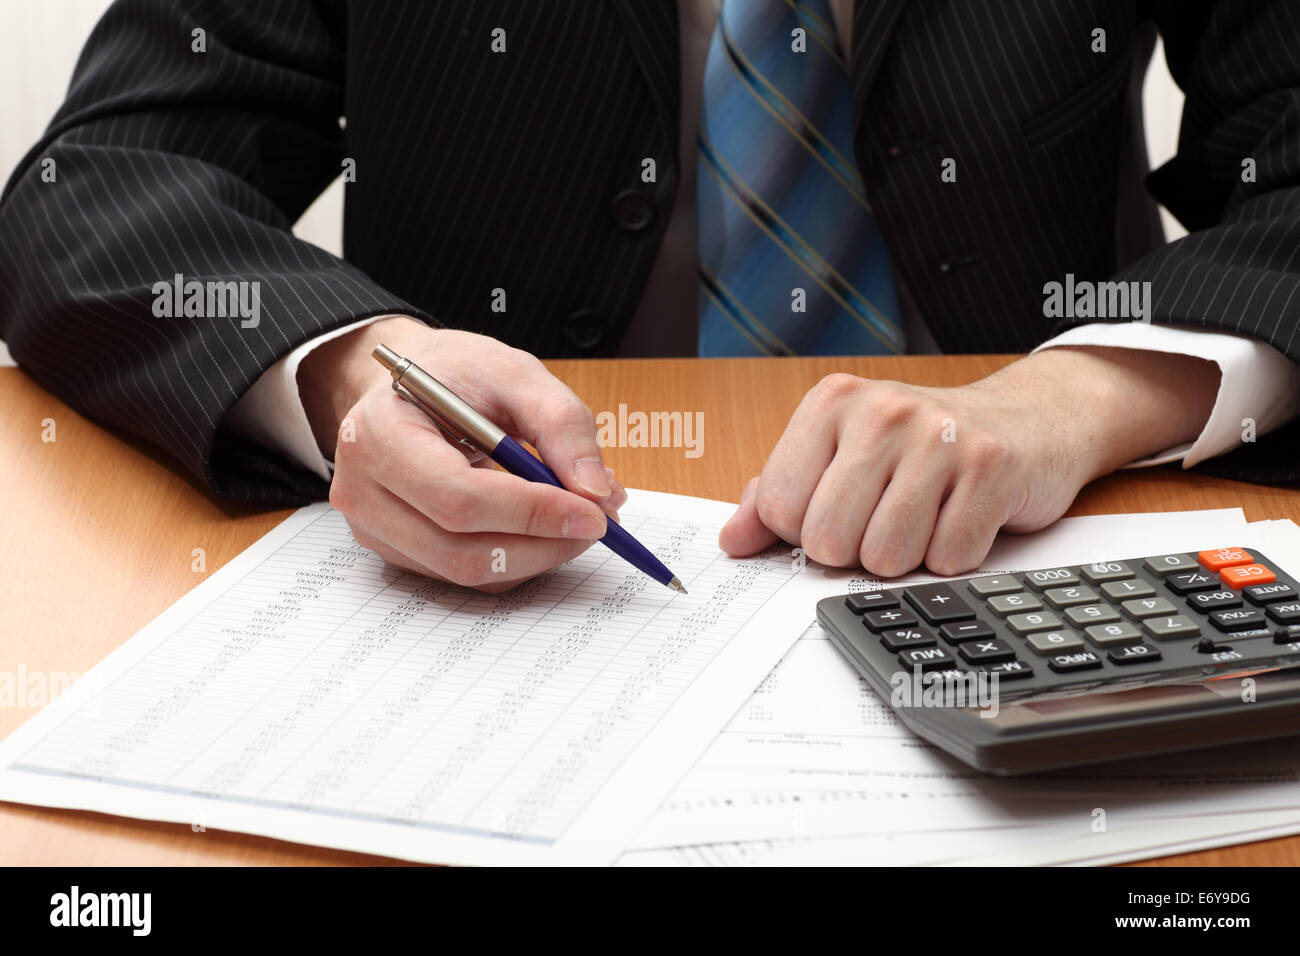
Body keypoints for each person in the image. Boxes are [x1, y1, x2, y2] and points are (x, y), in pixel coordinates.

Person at [2, 0, 1298, 592]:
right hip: (499, 597)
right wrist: (356, 374)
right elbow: (102, 179)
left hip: (1026, 549)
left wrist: (1078, 397)